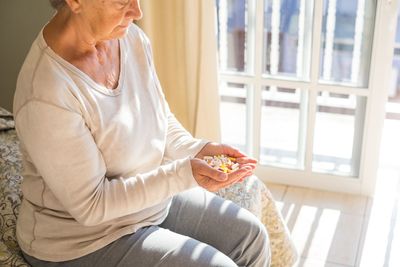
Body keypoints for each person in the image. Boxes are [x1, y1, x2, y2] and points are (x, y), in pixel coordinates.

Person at [13, 0, 270, 266]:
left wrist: (197, 149)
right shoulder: (46, 92)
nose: (137, 12)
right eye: (122, 1)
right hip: (82, 240)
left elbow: (159, 118)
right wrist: (184, 174)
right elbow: (93, 206)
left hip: (145, 202)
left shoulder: (130, 38)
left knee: (251, 238)